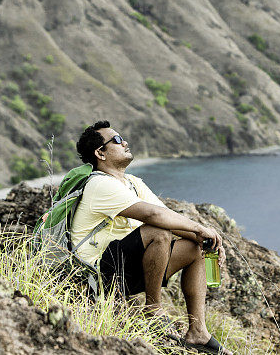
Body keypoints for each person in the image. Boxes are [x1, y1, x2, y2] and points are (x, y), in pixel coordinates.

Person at [72, 120, 231, 354]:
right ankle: (153, 309)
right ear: (100, 153)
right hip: (94, 276)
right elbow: (154, 215)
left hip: (124, 273)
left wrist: (207, 240)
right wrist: (199, 228)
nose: (124, 142)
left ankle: (198, 332)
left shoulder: (133, 184)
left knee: (196, 247)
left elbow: (167, 216)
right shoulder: (99, 184)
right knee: (157, 231)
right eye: (116, 140)